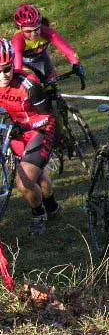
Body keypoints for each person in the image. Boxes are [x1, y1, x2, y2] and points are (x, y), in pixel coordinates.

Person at [0, 39, 60, 235]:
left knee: (24, 182)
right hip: (18, 130)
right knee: (35, 172)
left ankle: (38, 213)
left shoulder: (28, 83)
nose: (3, 74)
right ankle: (52, 207)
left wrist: (24, 126)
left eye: (7, 68)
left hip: (42, 130)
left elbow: (46, 117)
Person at [10, 4, 84, 84]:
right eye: (28, 31)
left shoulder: (47, 32)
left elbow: (68, 51)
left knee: (53, 85)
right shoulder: (18, 40)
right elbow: (18, 68)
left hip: (42, 60)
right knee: (32, 84)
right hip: (23, 63)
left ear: (40, 25)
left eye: (36, 29)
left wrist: (76, 63)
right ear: (20, 29)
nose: (33, 34)